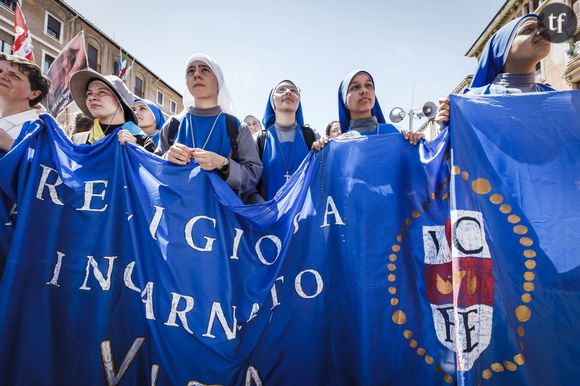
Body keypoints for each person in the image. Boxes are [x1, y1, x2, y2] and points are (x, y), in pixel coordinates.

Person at [162, 53, 262, 202]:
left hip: (222, 218)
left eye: (204, 70)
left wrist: (223, 163)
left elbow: (252, 176)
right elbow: (153, 170)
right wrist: (166, 158)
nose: (196, 75)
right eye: (191, 71)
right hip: (177, 215)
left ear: (218, 81)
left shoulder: (236, 128)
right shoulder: (172, 125)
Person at [435, 14, 553, 126]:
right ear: (501, 49)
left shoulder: (556, 96)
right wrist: (448, 126)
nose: (542, 32)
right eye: (528, 29)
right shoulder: (474, 101)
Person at [313, 70, 423, 149]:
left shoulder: (396, 133)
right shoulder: (338, 144)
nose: (364, 90)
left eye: (368, 85)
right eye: (355, 87)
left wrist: (419, 144)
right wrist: (320, 151)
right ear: (344, 101)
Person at [256, 80, 318, 201]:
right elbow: (248, 184)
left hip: (302, 217)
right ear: (272, 101)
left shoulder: (312, 137)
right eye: (281, 90)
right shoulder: (258, 140)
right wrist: (264, 209)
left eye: (294, 90)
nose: (288, 92)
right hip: (270, 216)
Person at [69, 69, 155, 152]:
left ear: (121, 101)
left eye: (102, 92)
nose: (91, 97)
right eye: (89, 93)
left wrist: (136, 153)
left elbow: (154, 166)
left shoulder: (142, 141)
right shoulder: (78, 140)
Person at [0, 53, 51, 154]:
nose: (1, 75)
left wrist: (11, 145)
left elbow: (46, 166)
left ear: (34, 94)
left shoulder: (40, 129)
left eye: (14, 76)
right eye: (0, 71)